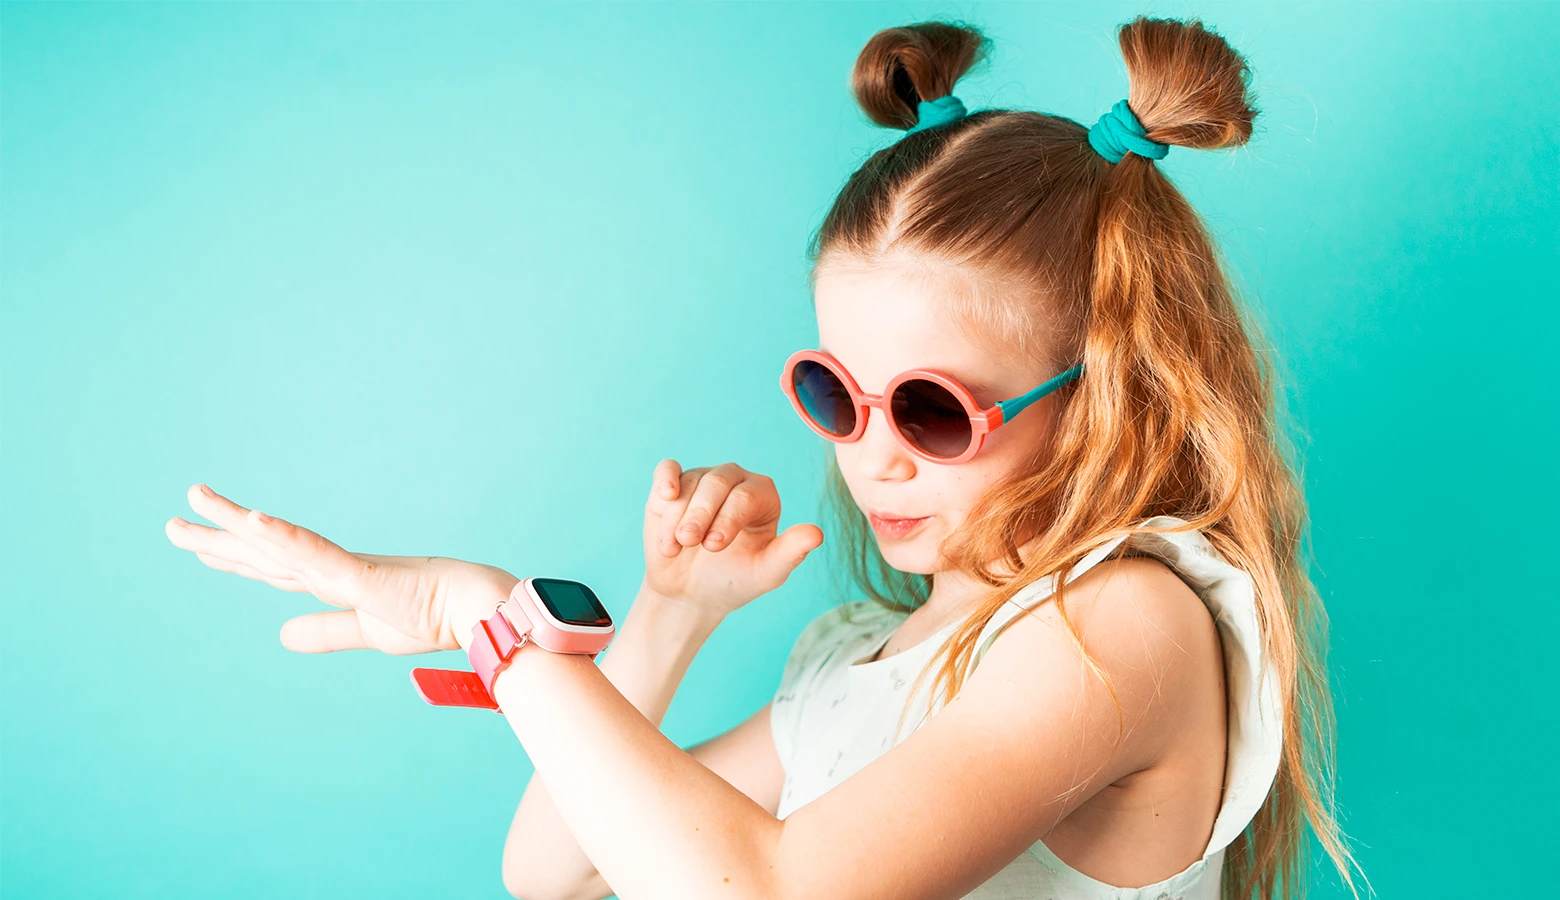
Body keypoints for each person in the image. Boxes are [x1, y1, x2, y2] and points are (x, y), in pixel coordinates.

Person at [166, 16, 1360, 900]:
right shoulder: (862, 657)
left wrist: (480, 614)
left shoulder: (1123, 624)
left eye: (935, 411)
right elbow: (555, 871)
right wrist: (668, 617)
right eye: (836, 397)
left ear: (1105, 397)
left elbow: (771, 891)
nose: (873, 459)